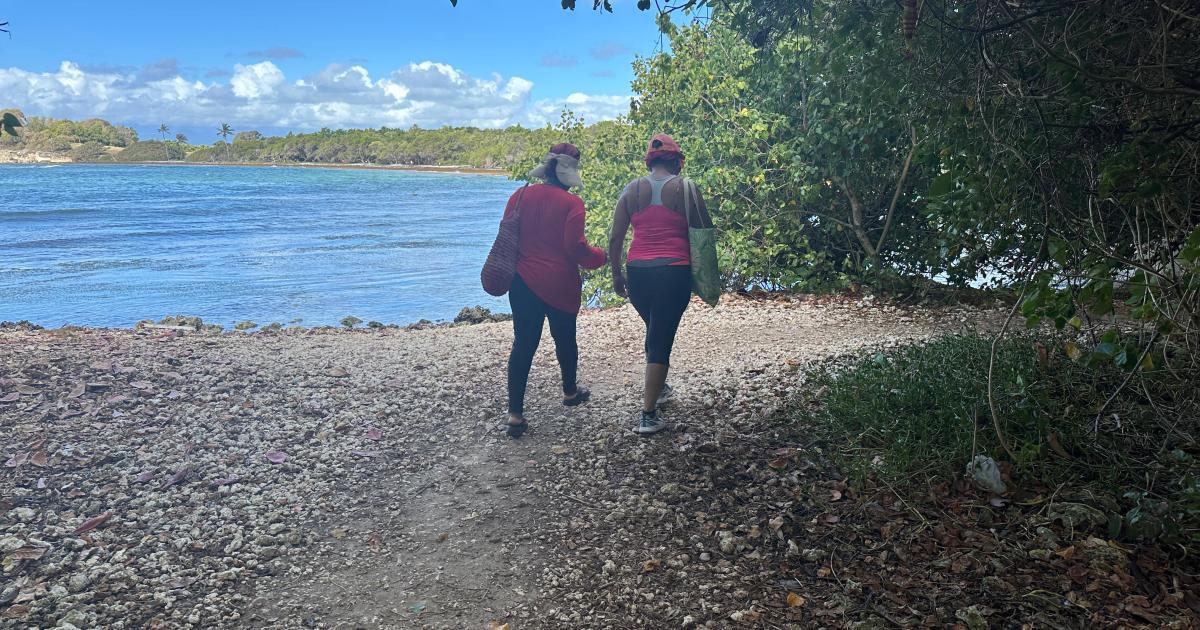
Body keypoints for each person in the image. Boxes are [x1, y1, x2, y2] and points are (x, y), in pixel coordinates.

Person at [609, 133, 713, 435]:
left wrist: (617, 274)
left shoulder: (631, 189)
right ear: (676, 160)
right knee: (661, 340)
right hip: (673, 272)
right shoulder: (686, 188)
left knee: (655, 328)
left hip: (638, 271)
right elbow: (703, 233)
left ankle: (660, 387)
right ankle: (648, 413)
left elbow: (615, 237)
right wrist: (704, 278)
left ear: (651, 160)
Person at [503, 142, 606, 438]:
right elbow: (575, 248)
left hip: (521, 282)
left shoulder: (519, 195)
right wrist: (600, 256)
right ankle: (570, 391)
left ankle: (515, 413)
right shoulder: (572, 204)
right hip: (560, 283)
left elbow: (507, 234)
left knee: (523, 344)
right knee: (565, 340)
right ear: (569, 172)